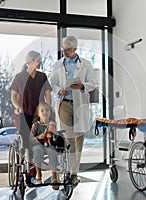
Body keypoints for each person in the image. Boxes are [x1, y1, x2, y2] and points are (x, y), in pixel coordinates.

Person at [50, 36, 97, 185]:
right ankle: (69, 169)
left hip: (80, 105)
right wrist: (59, 91)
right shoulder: (58, 65)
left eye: (68, 49)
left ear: (75, 49)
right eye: (63, 49)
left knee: (78, 139)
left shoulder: (86, 64)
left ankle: (74, 173)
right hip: (64, 104)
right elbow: (53, 83)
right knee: (68, 138)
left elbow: (93, 84)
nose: (64, 52)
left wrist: (82, 86)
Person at [10, 50, 52, 148]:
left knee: (40, 134)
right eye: (38, 60)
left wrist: (48, 107)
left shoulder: (42, 76)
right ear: (30, 61)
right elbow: (13, 96)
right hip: (24, 111)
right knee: (25, 136)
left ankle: (38, 155)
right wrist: (17, 107)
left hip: (39, 112)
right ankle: (26, 155)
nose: (40, 63)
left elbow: (48, 94)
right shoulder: (19, 77)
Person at [29, 102, 59, 190]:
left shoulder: (53, 124)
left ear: (50, 113)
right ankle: (39, 176)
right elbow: (31, 138)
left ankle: (54, 177)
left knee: (53, 152)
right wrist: (39, 137)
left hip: (49, 144)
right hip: (38, 145)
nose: (45, 112)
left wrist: (54, 134)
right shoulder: (36, 125)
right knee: (38, 151)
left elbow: (57, 136)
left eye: (47, 110)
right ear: (38, 114)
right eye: (42, 111)